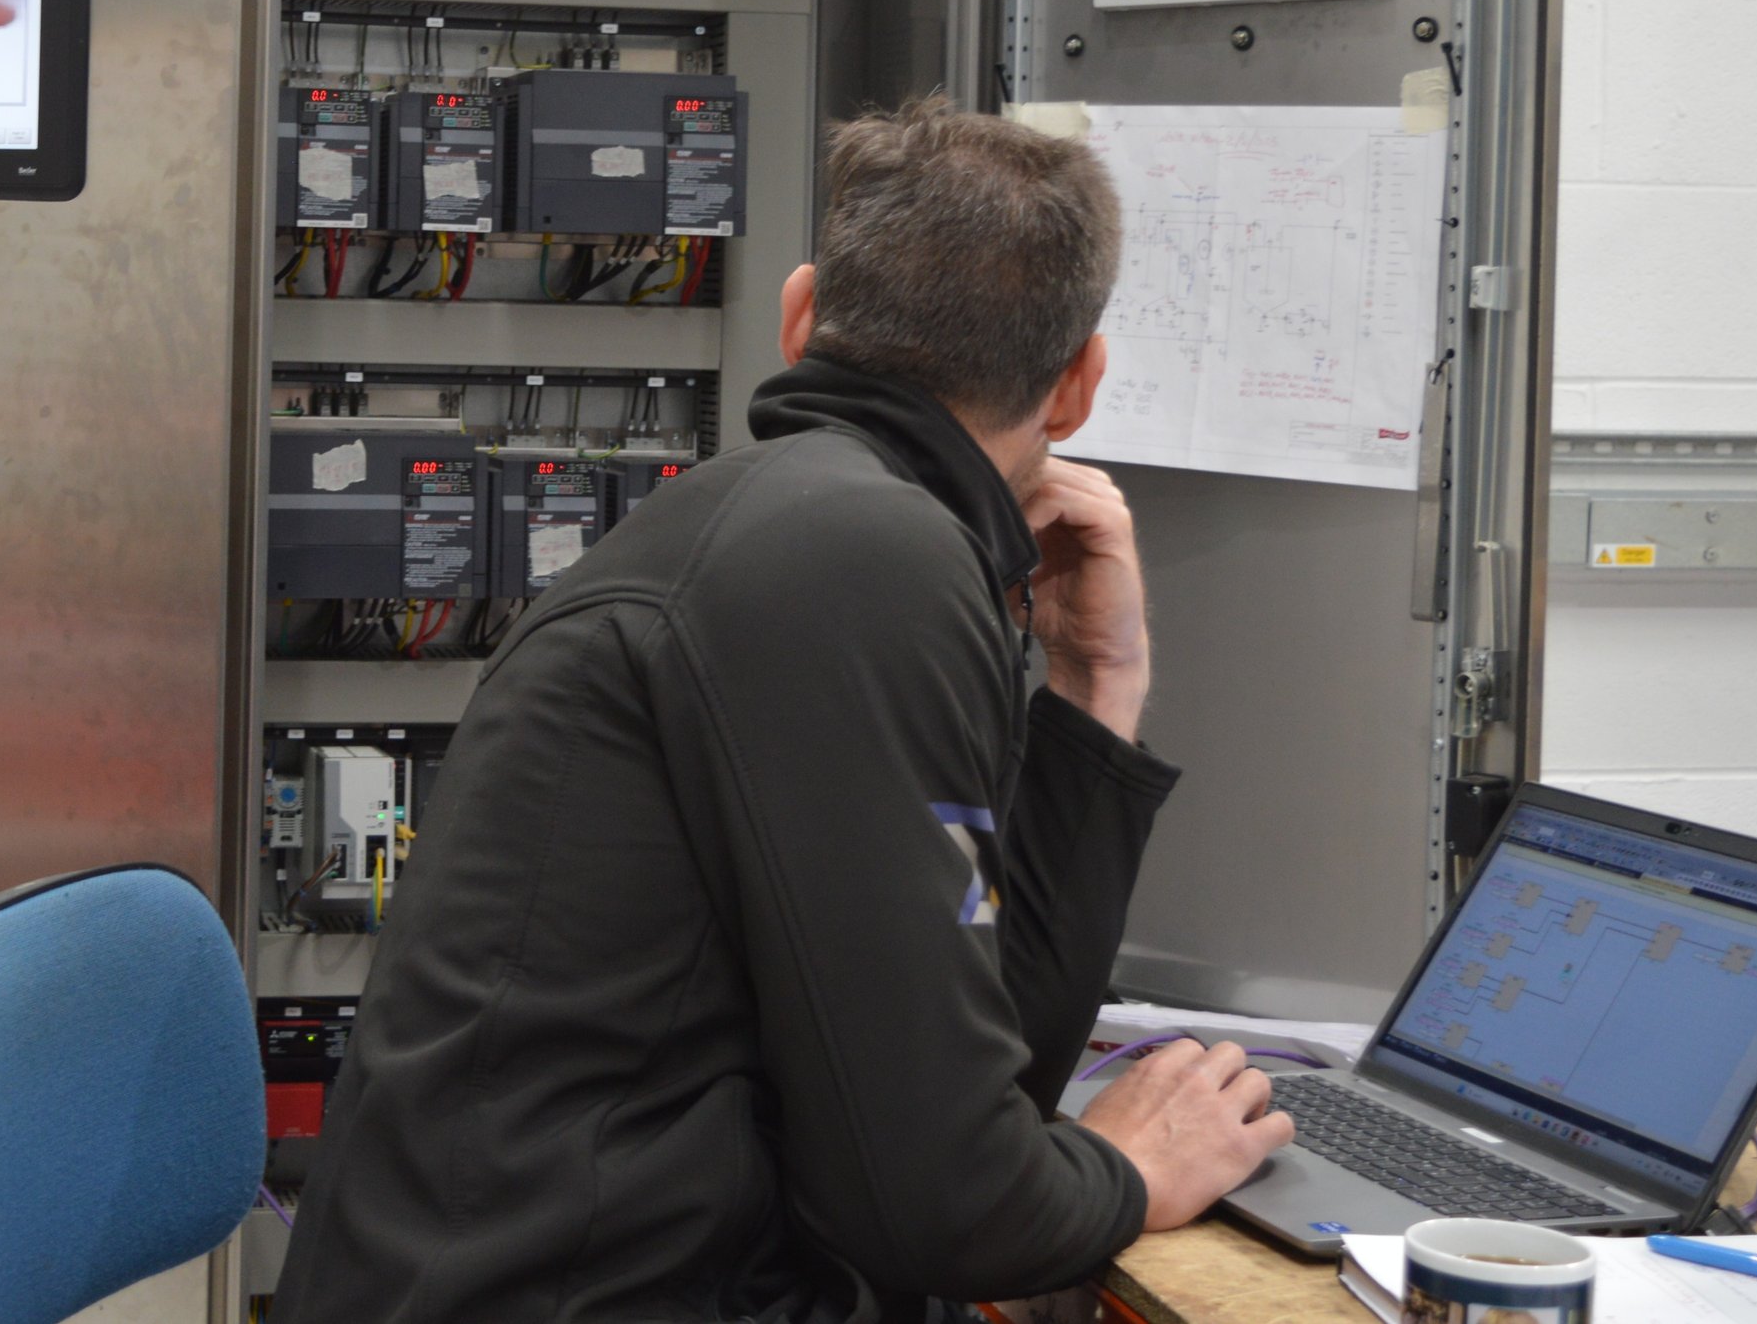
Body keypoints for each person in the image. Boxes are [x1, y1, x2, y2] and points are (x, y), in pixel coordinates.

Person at [272, 98, 1294, 1323]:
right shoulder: (857, 557)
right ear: (1077, 385)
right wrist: (1124, 1174)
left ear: (801, 316)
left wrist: (1091, 686)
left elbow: (976, 1076)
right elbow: (947, 1209)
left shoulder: (811, 530)